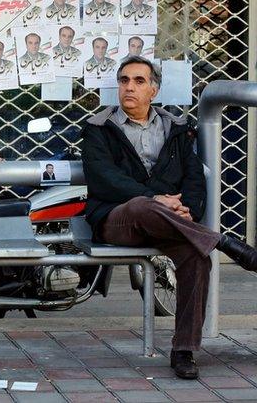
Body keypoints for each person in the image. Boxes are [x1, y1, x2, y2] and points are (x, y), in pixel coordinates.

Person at [81, 56, 257, 379]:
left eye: (138, 81)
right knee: (142, 206)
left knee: (196, 257)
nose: (129, 87)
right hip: (118, 219)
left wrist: (186, 209)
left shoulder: (175, 128)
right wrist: (155, 198)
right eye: (123, 81)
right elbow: (104, 179)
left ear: (154, 89)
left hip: (167, 223)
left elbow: (193, 177)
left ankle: (184, 350)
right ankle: (223, 241)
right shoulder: (98, 128)